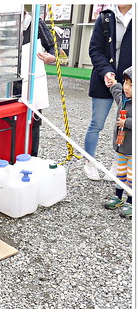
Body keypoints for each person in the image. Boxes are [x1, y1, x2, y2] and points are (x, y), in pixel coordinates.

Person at [83, 4, 133, 181]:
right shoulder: (105, 16)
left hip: (130, 83)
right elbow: (95, 49)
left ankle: (117, 165)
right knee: (96, 123)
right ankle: (89, 161)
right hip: (104, 78)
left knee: (124, 124)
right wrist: (106, 71)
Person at [20, 10, 56, 157]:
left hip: (32, 80)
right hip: (9, 80)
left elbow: (52, 46)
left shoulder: (35, 23)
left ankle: (32, 155)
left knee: (33, 119)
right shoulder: (4, 22)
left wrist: (51, 57)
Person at [103, 66, 132, 219]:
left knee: (132, 176)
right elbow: (116, 92)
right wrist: (114, 82)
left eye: (131, 85)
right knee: (120, 173)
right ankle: (118, 197)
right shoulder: (124, 99)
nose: (126, 88)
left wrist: (126, 122)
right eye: (126, 83)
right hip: (121, 148)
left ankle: (132, 202)